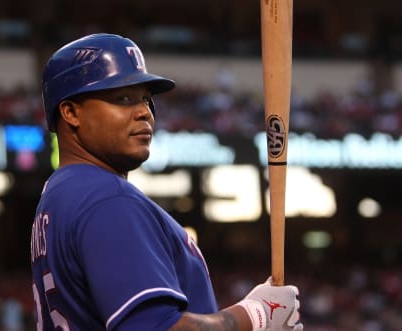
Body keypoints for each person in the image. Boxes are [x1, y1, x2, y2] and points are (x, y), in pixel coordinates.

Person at [30, 33, 303, 331]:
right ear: (70, 112)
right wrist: (256, 316)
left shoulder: (60, 195)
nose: (144, 112)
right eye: (122, 98)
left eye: (145, 99)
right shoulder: (107, 199)